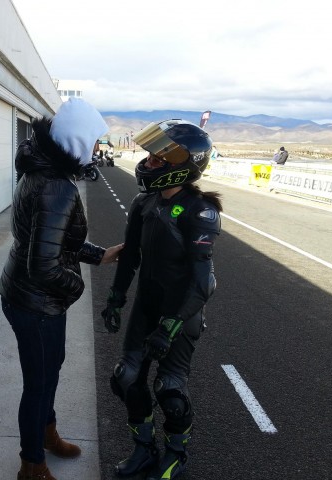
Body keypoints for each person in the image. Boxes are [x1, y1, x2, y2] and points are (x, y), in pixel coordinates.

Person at [0, 98, 124, 480]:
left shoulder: (42, 170)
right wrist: (76, 287)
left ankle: (47, 434)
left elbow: (53, 241)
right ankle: (32, 465)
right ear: (78, 140)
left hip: (27, 296)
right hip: (36, 302)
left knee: (49, 370)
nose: (97, 148)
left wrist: (99, 255)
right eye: (94, 140)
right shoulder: (57, 187)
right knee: (39, 383)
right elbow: (44, 265)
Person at [101, 119, 222, 479]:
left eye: (158, 158)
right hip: (147, 305)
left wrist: (170, 326)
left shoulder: (200, 211)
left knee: (169, 389)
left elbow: (203, 283)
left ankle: (176, 453)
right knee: (127, 379)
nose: (148, 162)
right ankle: (143, 448)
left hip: (181, 313)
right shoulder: (143, 202)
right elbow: (130, 256)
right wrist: (116, 298)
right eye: (150, 156)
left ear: (184, 165)